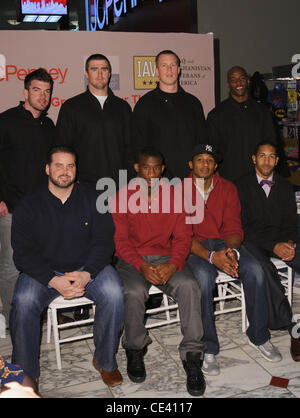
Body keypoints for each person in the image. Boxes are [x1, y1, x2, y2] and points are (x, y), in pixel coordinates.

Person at [10, 146, 124, 389]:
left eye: (70, 165)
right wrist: (52, 280)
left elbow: (104, 242)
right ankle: (26, 375)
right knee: (23, 301)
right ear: (47, 168)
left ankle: (105, 360)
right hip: (44, 271)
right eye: (59, 165)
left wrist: (87, 273)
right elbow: (22, 253)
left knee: (114, 293)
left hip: (87, 267)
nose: (65, 171)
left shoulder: (93, 198)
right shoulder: (28, 204)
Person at [110, 146, 206, 397]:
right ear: (137, 168)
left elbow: (184, 238)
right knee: (132, 291)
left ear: (163, 169)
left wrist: (173, 264)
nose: (151, 173)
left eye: (156, 168)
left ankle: (193, 356)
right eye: (146, 167)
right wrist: (142, 265)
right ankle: (134, 348)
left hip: (167, 257)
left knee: (189, 286)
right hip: (134, 259)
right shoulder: (121, 196)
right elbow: (120, 242)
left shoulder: (175, 196)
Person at [186, 143, 282, 376]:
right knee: (203, 278)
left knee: (256, 270)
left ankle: (259, 336)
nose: (205, 164)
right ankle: (208, 347)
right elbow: (180, 235)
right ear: (191, 164)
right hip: (193, 246)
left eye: (209, 160)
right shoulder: (177, 191)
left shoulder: (227, 187)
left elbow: (233, 226)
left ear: (216, 165)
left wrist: (231, 252)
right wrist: (210, 256)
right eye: (200, 159)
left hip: (223, 242)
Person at [235, 141, 300, 361]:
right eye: (262, 156)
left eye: (271, 156)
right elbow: (242, 227)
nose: (266, 161)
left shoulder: (284, 185)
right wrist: (273, 246)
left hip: (281, 239)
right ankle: (291, 327)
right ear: (253, 159)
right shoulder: (240, 186)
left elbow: (292, 222)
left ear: (277, 160)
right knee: (263, 269)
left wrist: (289, 243)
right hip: (252, 242)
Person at [0, 68, 55, 324]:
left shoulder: (48, 124)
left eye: (47, 92)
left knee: (43, 263)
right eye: (36, 90)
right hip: (11, 208)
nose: (42, 96)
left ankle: (41, 314)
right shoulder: (6, 120)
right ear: (25, 92)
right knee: (11, 267)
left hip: (43, 210)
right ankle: (14, 319)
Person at [56, 53, 132, 189]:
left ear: (109, 74)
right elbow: (62, 148)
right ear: (86, 74)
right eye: (94, 69)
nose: (100, 74)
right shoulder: (71, 107)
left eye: (104, 69)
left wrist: (129, 180)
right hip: (84, 186)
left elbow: (130, 148)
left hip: (119, 185)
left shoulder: (123, 107)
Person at [131, 50, 208, 180]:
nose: (169, 70)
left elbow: (201, 143)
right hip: (157, 180)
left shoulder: (193, 103)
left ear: (178, 70)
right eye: (164, 65)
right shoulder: (144, 104)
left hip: (190, 180)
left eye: (172, 65)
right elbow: (137, 145)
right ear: (156, 71)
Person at [207, 66, 278, 182]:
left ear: (248, 81)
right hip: (228, 179)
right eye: (233, 80)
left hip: (258, 178)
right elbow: (212, 149)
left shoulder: (262, 112)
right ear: (229, 84)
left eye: (242, 78)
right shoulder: (216, 115)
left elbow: (271, 144)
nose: (238, 83)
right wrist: (216, 175)